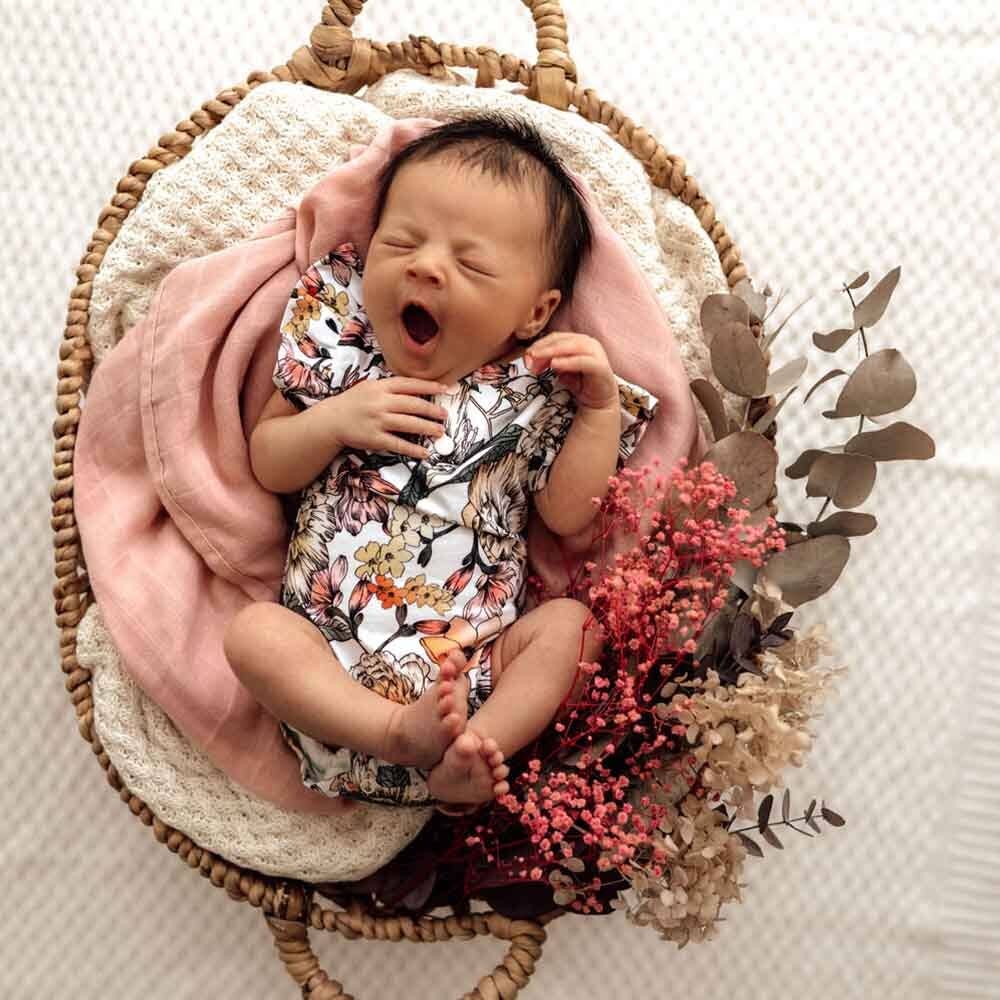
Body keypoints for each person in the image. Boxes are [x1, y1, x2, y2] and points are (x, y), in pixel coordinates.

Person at [222, 111, 659, 812]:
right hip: (327, 664)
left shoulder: (537, 391)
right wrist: (333, 421)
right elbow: (269, 463)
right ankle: (393, 732)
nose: (425, 266)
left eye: (471, 263)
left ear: (534, 312)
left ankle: (472, 754)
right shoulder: (347, 347)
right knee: (253, 636)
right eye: (401, 242)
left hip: (474, 672)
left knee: (573, 628)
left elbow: (570, 516)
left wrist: (599, 411)